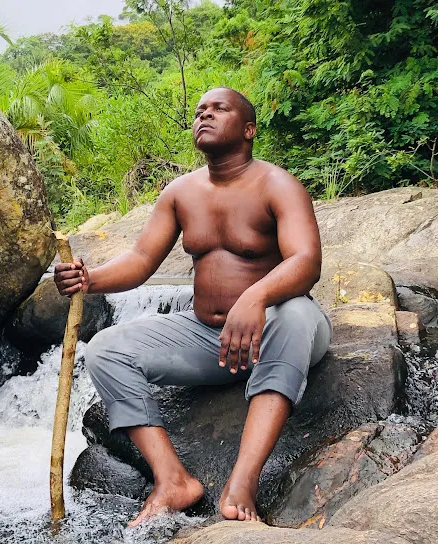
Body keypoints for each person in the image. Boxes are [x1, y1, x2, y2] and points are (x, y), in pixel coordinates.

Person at [54, 87, 332, 526]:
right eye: (200, 110)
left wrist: (256, 297)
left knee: (295, 315)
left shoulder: (278, 185)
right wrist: (89, 280)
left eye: (219, 109)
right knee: (105, 349)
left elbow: (306, 261)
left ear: (248, 130)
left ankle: (242, 482)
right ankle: (173, 480)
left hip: (277, 330)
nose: (205, 115)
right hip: (210, 340)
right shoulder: (180, 192)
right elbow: (141, 259)